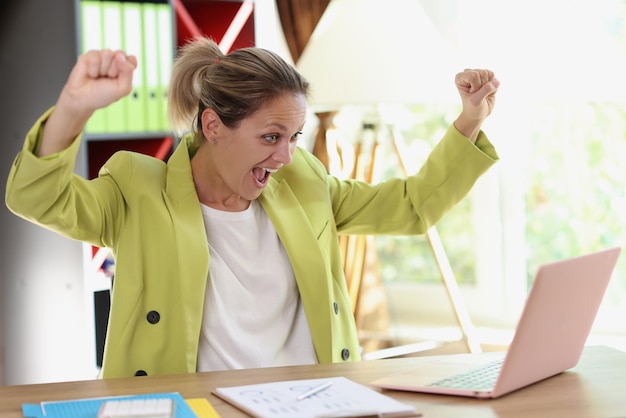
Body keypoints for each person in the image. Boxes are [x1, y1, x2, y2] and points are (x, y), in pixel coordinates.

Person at [5, 37, 500, 379]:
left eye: (293, 137)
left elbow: (410, 208)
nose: (285, 156)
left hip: (310, 400)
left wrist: (470, 120)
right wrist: (74, 108)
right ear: (214, 125)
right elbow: (37, 197)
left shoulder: (301, 182)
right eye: (270, 136)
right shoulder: (138, 189)